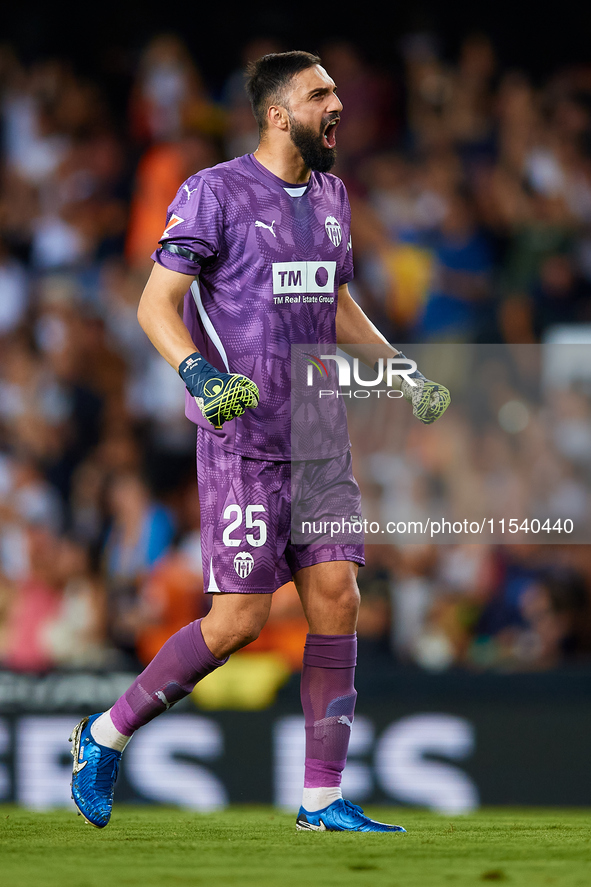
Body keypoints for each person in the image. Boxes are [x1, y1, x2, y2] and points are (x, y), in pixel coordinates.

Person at [69, 50, 450, 833]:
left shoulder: (336, 195)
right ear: (279, 114)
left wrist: (402, 374)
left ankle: (319, 799)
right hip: (242, 436)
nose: (336, 103)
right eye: (320, 94)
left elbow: (337, 301)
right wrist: (201, 378)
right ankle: (102, 733)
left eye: (336, 89)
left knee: (338, 595)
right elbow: (154, 304)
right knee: (237, 622)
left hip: (318, 434)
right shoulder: (214, 192)